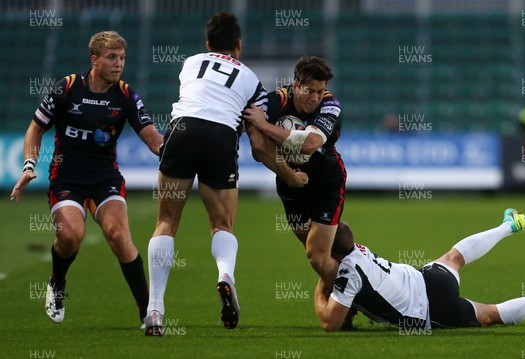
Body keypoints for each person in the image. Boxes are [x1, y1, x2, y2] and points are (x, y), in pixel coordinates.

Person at [143, 13, 306, 336]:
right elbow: (259, 146)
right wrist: (288, 174)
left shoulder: (190, 63)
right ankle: (225, 275)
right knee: (222, 223)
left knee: (166, 222)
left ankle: (155, 310)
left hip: (183, 129)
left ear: (207, 45)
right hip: (221, 137)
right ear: (239, 45)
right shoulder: (252, 82)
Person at [9, 31, 163, 328]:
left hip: (105, 178)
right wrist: (29, 165)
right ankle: (56, 283)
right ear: (95, 60)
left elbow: (150, 135)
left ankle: (148, 313)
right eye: (111, 58)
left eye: (122, 58)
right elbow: (35, 128)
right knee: (71, 236)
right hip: (66, 177)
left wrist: (167, 150)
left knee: (119, 236)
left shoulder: (126, 94)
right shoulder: (67, 88)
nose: (119, 64)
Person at [314, 209, 525, 331]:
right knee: (454, 257)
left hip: (428, 310)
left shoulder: (348, 274)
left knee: (491, 314)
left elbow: (330, 324)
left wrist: (319, 287)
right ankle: (508, 226)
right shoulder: (357, 248)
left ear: (332, 250)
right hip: (426, 277)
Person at [243, 56, 346, 289]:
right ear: (296, 84)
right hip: (290, 187)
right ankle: (345, 281)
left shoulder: (331, 105)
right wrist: (289, 174)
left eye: (321, 91)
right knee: (317, 250)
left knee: (317, 255)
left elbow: (309, 144)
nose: (316, 98)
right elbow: (259, 149)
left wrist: (265, 126)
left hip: (326, 182)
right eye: (310, 91)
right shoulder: (274, 102)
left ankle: (355, 301)